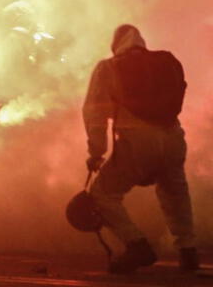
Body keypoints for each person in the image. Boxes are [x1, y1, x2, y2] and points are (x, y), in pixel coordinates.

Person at [82, 24, 199, 274]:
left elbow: (95, 111)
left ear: (116, 44)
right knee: (175, 194)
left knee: (103, 194)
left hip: (137, 140)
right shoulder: (166, 63)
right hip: (173, 137)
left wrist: (96, 152)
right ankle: (188, 251)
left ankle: (136, 245)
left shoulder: (109, 67)